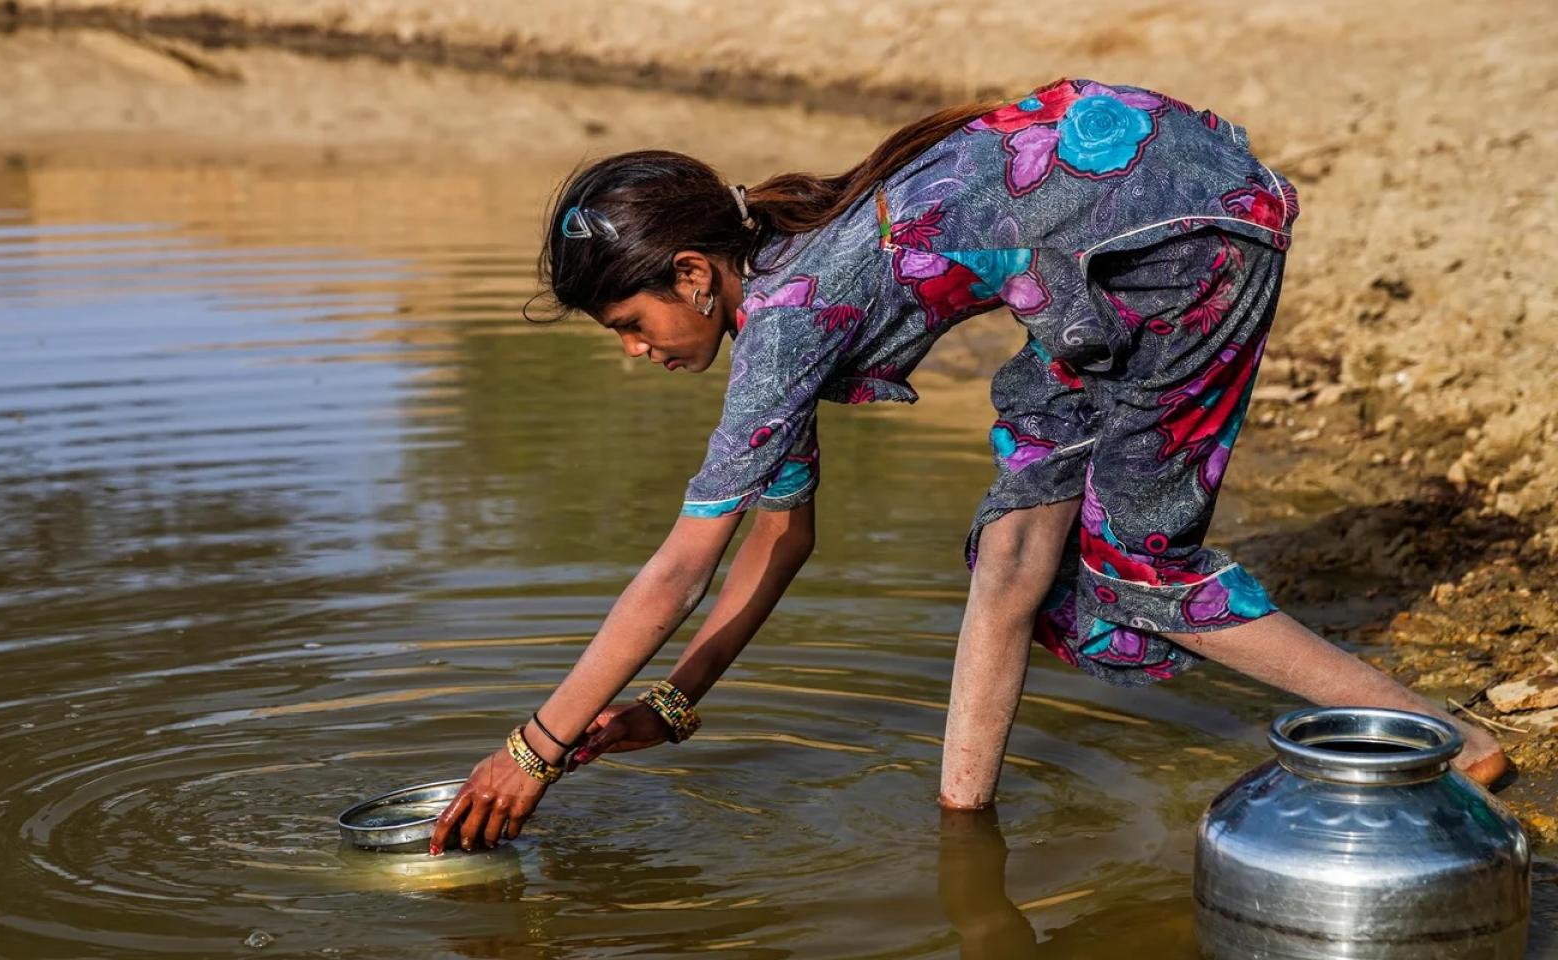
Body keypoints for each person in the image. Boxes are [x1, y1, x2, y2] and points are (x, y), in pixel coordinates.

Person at [427, 78, 1509, 855]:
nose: (635, 352)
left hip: (1189, 242)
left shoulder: (789, 318)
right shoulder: (785, 297)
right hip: (1095, 267)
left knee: (1138, 564)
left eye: (629, 321)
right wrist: (673, 702)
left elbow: (677, 572)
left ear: (696, 274)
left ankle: (1450, 745)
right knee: (1011, 550)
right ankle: (964, 834)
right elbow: (781, 535)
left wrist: (530, 749)